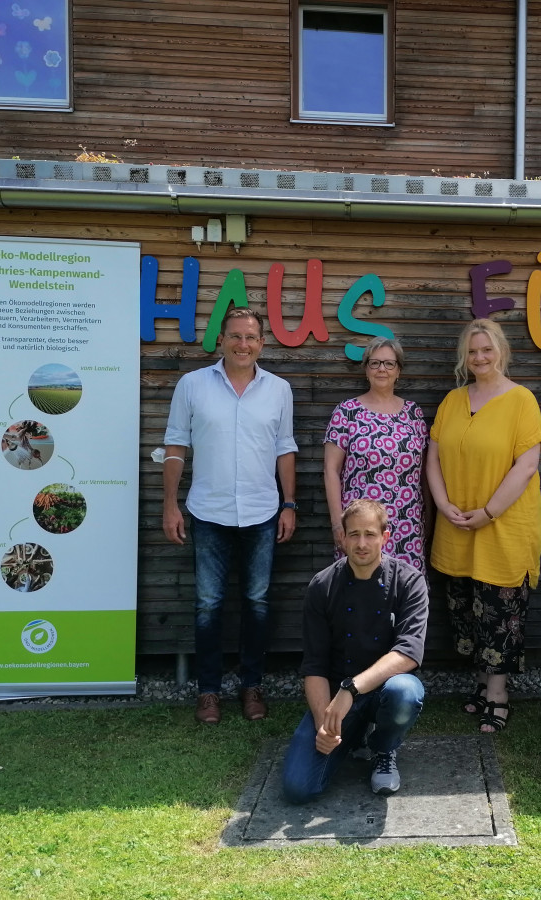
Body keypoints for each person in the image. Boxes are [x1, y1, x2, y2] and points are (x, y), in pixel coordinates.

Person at [162, 306, 298, 725]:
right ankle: (208, 692)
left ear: (262, 343)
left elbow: (285, 448)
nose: (243, 344)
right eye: (236, 336)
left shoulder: (279, 389)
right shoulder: (192, 385)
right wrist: (169, 503)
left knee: (257, 603)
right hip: (208, 511)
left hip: (261, 511)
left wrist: (289, 503)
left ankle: (252, 687)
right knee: (207, 605)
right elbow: (175, 445)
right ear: (221, 339)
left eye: (251, 337)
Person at [426, 318, 541, 734]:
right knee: (466, 609)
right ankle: (479, 682)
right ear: (465, 356)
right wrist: (442, 505)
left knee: (499, 610)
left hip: (503, 526)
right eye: (473, 351)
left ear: (501, 352)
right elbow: (433, 457)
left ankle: (498, 693)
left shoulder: (521, 400)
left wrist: (489, 511)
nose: (480, 357)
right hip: (456, 524)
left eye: (487, 350)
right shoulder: (453, 400)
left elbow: (527, 465)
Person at [281, 499, 429, 803]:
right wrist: (324, 724)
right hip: (335, 697)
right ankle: (353, 736)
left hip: (379, 691)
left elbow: (408, 653)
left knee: (405, 692)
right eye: (354, 534)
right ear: (343, 538)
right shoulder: (321, 586)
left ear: (385, 537)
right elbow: (315, 664)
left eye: (370, 534)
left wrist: (351, 688)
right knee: (298, 788)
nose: (362, 544)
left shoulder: (410, 581)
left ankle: (383, 748)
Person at [323, 336, 429, 572]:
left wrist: (428, 523)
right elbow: (331, 470)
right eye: (375, 363)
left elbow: (423, 475)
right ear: (366, 369)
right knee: (359, 595)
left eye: (389, 363)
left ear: (398, 370)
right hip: (360, 529)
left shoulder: (414, 414)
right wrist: (337, 524)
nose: (382, 369)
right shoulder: (347, 412)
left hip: (407, 526)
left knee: (404, 593)